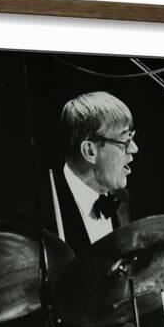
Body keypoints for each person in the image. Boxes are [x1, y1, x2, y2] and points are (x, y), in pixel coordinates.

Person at [49, 91, 138, 254]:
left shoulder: (122, 199)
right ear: (90, 151)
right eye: (125, 140)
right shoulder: (43, 211)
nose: (134, 149)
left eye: (132, 137)